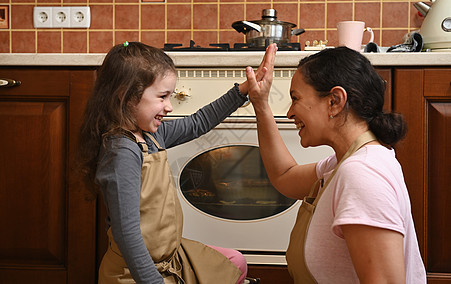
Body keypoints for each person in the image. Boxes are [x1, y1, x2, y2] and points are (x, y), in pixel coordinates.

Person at [77, 41, 274, 284]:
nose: (169, 107)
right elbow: (127, 234)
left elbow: (197, 123)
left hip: (171, 258)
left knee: (235, 262)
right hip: (136, 273)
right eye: (162, 97)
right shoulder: (122, 152)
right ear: (125, 95)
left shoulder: (151, 134)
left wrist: (244, 90)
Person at [245, 46, 427, 283]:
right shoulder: (344, 164)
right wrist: (260, 104)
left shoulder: (362, 174)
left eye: (296, 99)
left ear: (334, 101)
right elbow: (285, 175)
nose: (289, 113)